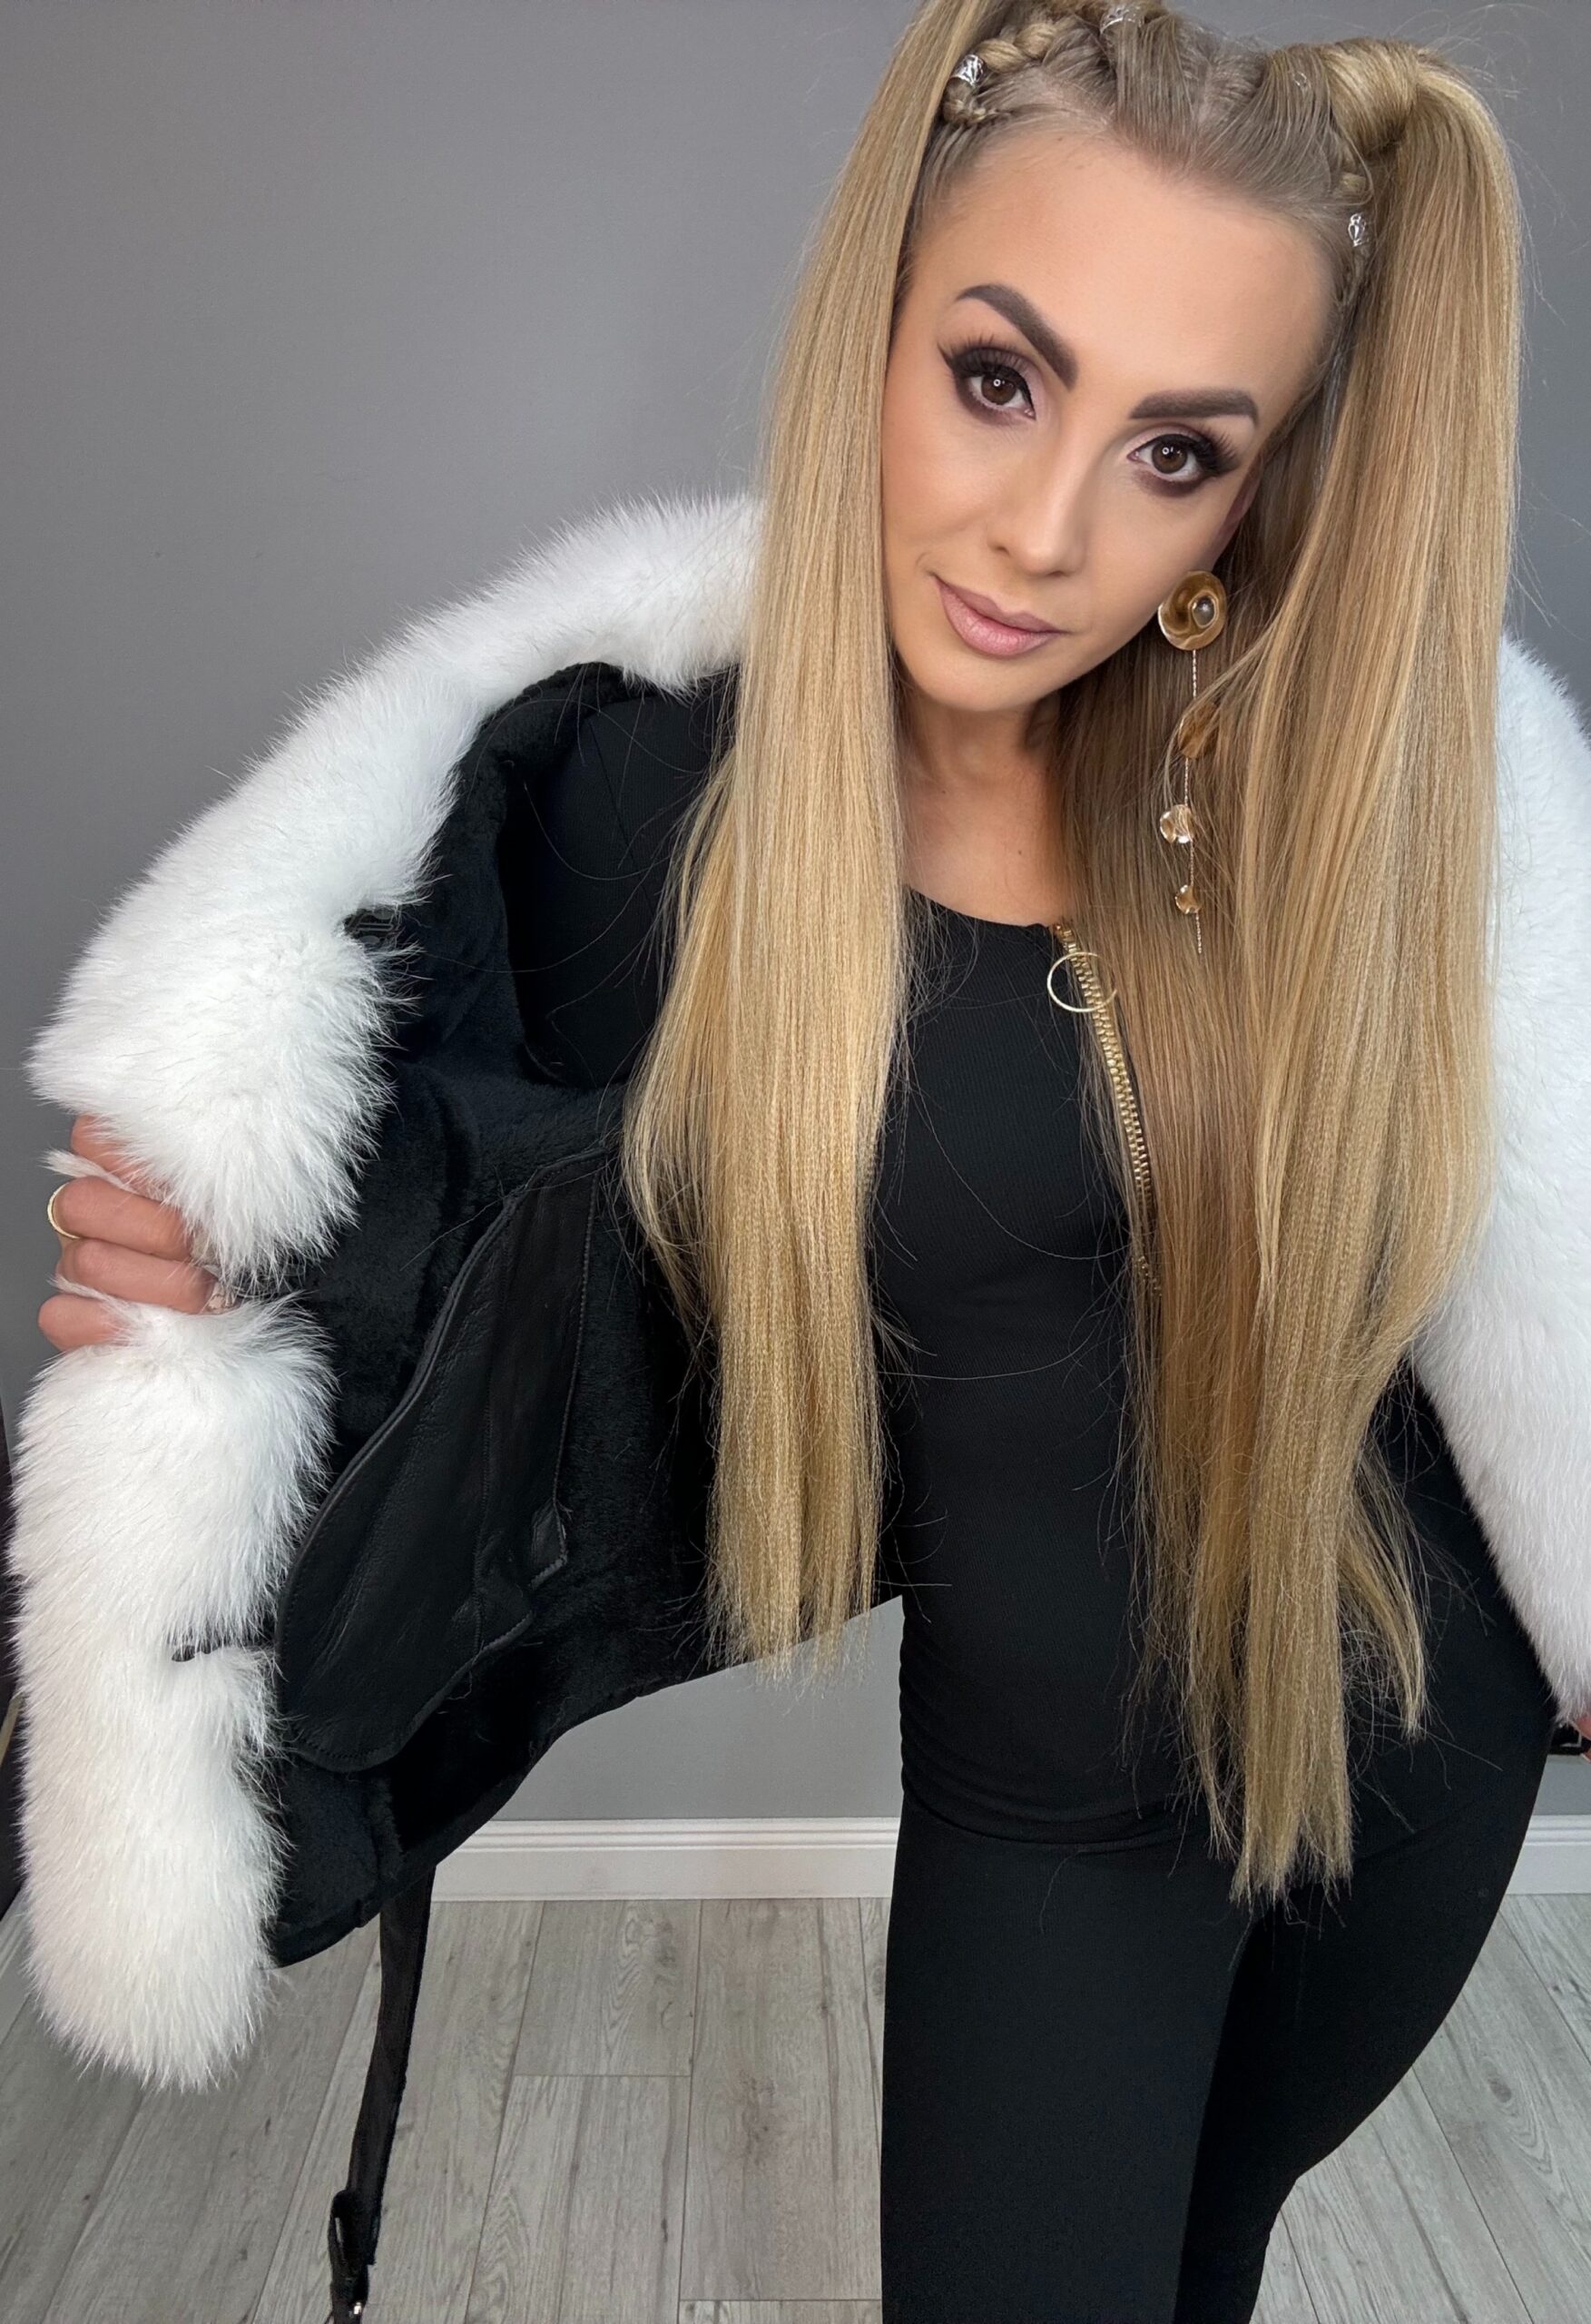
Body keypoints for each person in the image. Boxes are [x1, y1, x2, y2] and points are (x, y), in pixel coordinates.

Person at [32, 4, 1591, 2319]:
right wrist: (220, 1267)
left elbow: (1533, 1209)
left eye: (1177, 450)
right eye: (998, 377)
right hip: (1052, 1816)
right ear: (877, 311)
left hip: (1412, 1733)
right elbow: (467, 1205)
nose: (1046, 531)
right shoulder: (644, 809)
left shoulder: (1339, 791)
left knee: (1209, 2264)